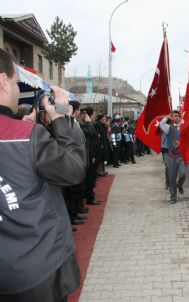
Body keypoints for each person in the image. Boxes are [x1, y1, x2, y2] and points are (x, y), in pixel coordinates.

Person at [0, 49, 86, 302]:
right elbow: (73, 169)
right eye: (16, 83)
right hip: (35, 271)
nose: (18, 90)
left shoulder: (23, 134)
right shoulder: (28, 136)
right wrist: (60, 116)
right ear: (3, 82)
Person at [159, 111, 186, 204]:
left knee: (183, 174)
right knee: (172, 177)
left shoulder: (183, 127)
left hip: (180, 155)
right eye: (173, 116)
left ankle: (179, 185)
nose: (175, 117)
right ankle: (173, 197)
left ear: (180, 118)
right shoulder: (168, 127)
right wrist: (167, 117)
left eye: (177, 116)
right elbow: (161, 124)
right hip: (171, 155)